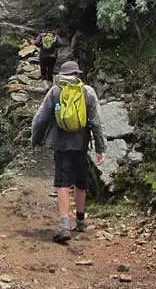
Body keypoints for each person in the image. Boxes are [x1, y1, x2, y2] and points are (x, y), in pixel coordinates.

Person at [30, 61, 106, 243]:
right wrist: (100, 148)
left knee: (63, 183)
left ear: (62, 75)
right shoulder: (87, 92)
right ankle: (80, 221)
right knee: (81, 182)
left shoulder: (55, 91)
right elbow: (96, 122)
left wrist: (35, 140)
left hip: (61, 146)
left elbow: (41, 119)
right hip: (81, 146)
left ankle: (64, 225)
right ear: (77, 75)